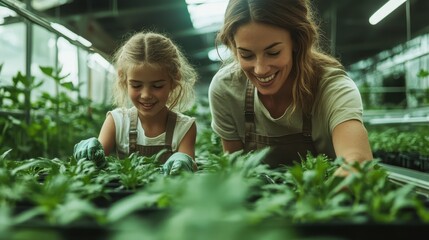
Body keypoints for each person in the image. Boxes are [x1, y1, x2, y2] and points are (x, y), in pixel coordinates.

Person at [208, 0, 373, 173]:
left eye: (273, 53)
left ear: (296, 40)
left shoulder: (331, 87)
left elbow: (358, 162)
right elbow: (234, 171)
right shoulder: (226, 89)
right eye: (246, 55)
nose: (260, 69)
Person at [74, 31, 198, 175]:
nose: (146, 95)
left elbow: (188, 170)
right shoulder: (116, 122)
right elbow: (93, 169)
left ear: (174, 81)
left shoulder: (184, 127)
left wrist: (185, 162)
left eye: (157, 86)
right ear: (123, 80)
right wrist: (89, 157)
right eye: (136, 85)